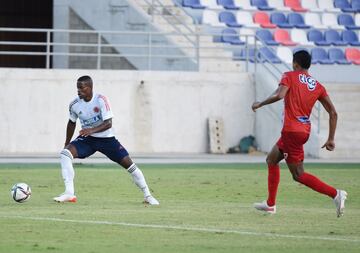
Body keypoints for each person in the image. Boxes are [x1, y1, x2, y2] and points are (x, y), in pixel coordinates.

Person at [251, 50, 347, 217]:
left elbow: (280, 94)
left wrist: (260, 103)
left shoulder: (289, 75)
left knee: (298, 175)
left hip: (291, 131)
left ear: (295, 63)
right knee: (271, 159)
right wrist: (331, 138)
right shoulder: (317, 86)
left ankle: (336, 194)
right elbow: (333, 113)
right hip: (302, 131)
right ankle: (270, 204)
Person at [53, 75, 159, 205]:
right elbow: (71, 123)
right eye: (77, 88)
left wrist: (91, 130)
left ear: (90, 88)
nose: (78, 91)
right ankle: (69, 193)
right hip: (88, 140)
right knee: (65, 154)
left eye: (82, 88)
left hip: (107, 140)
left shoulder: (101, 100)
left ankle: (148, 195)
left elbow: (108, 123)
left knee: (130, 166)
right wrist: (66, 143)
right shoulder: (74, 104)